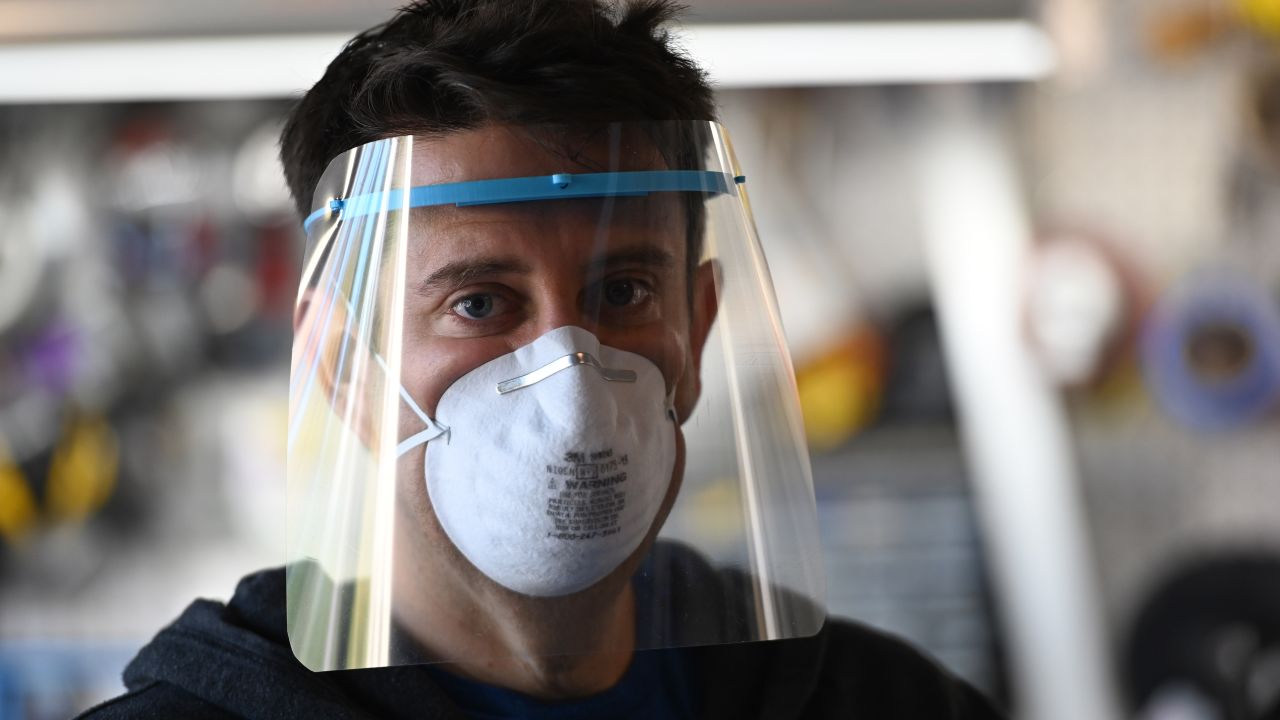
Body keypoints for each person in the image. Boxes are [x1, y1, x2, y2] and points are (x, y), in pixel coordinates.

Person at [80, 1, 1006, 717]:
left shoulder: (881, 703)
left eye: (625, 292)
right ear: (341, 366)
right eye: (480, 303)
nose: (571, 378)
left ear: (702, 326)